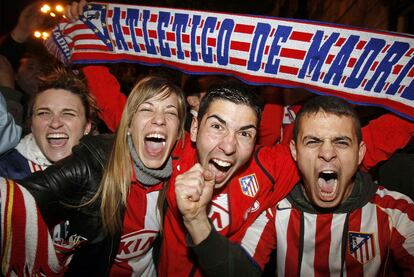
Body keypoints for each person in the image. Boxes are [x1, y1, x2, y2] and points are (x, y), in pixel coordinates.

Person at [157, 84, 414, 276]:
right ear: (193, 128)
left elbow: (357, 142)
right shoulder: (173, 150)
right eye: (217, 126)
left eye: (245, 132)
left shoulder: (271, 168)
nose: (228, 145)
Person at [15, 75, 186, 276]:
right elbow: (15, 199)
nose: (159, 119)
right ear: (129, 125)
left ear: (179, 134)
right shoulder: (96, 164)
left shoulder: (179, 176)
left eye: (171, 112)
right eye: (146, 109)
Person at [0, 65, 97, 180]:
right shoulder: (7, 175)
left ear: (87, 126)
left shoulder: (104, 173)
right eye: (44, 113)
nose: (55, 123)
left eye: (68, 114)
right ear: (31, 124)